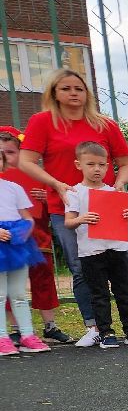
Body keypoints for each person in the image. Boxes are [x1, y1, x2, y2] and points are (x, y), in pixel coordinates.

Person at [18, 69, 128, 347]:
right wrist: (57, 184)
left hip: (106, 204)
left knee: (125, 266)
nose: (73, 93)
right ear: (54, 93)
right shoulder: (42, 122)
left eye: (79, 88)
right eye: (66, 88)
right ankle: (95, 327)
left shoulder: (104, 124)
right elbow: (26, 161)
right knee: (81, 267)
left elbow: (126, 163)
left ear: (87, 93)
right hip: (66, 206)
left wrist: (119, 184)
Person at [64, 142, 128, 349]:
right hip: (91, 252)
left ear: (108, 166)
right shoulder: (74, 193)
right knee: (99, 294)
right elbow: (68, 222)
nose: (97, 169)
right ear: (78, 164)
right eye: (90, 164)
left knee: (125, 291)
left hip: (117, 250)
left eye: (101, 164)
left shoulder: (114, 192)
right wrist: (82, 218)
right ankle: (106, 332)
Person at [0, 128, 69, 345]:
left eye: (10, 152)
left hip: (37, 238)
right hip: (7, 241)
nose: (5, 157)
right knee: (10, 286)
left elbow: (56, 209)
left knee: (43, 280)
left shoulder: (38, 176)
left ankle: (50, 325)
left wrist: (47, 199)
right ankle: (14, 329)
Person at [0, 145, 48, 355]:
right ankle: (2, 338)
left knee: (19, 293)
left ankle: (27, 335)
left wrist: (24, 231)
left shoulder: (13, 188)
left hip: (17, 242)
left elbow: (27, 218)